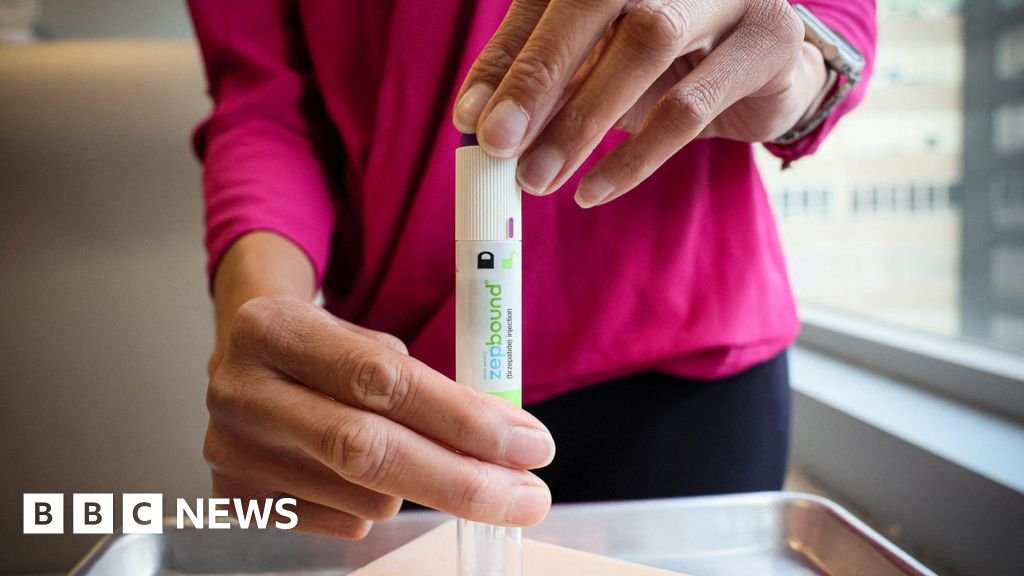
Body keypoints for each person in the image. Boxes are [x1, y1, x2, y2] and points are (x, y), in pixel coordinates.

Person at [187, 0, 876, 538]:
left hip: (685, 365)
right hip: (402, 397)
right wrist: (267, 326)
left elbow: (825, 25)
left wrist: (796, 69)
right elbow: (267, 102)